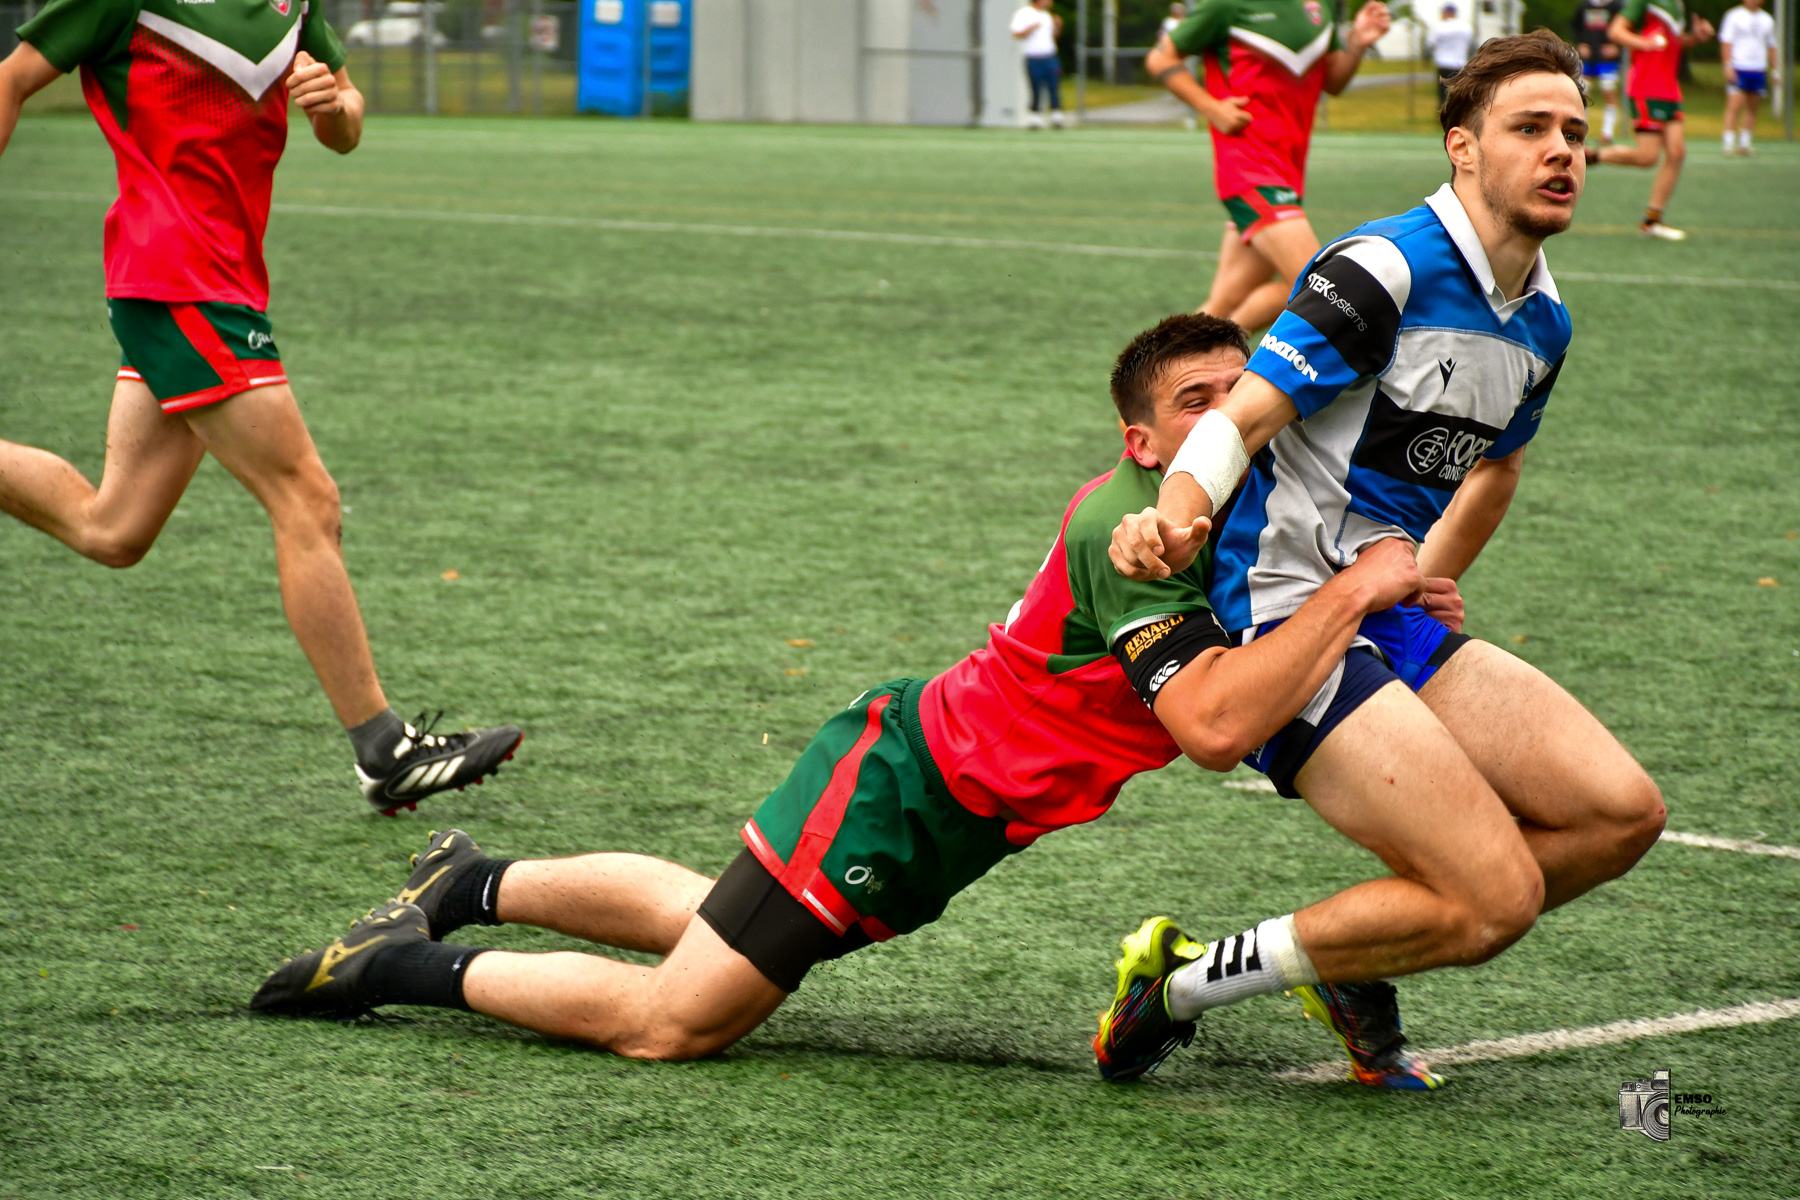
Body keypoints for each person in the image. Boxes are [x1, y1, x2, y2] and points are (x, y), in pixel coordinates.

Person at [251, 314, 1452, 1087]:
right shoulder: (1126, 530)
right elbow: (1216, 726)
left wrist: (1381, 601)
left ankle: (470, 880)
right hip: (904, 790)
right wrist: (1356, 597)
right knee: (679, 1022)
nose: (1228, 415)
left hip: (952, 811)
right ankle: (386, 968)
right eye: (1197, 399)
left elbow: (1288, 627)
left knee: (712, 921)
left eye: (1243, 392)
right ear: (1143, 442)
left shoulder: (1243, 532)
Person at [1096, 33, 1666, 1086]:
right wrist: (1176, 516)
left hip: (1387, 615)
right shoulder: (1384, 268)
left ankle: (1357, 950)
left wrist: (1431, 569)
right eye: (1530, 128)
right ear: (1463, 148)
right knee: (1493, 901)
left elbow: (1496, 468)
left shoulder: (1545, 320)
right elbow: (1241, 417)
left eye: (1576, 133)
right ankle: (1178, 985)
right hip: (1285, 613)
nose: (1562, 151)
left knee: (1621, 815)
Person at [0, 4, 522, 814]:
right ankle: (383, 749)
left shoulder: (294, 6)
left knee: (114, 529)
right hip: (177, 280)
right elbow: (11, 81)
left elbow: (346, 122)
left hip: (221, 282)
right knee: (306, 498)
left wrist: (333, 105)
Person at [1145, 0, 1393, 334]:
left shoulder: (1319, 6)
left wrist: (1357, 42)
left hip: (1288, 172)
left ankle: (1188, 358)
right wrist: (1212, 108)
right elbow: (1160, 57)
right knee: (1317, 286)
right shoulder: (1226, 5)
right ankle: (1213, 350)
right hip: (1248, 167)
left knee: (1224, 305)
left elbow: (1333, 81)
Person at [1592, 0, 1715, 239]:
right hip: (1646, 86)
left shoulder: (1677, 5)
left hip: (1669, 88)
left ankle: (1652, 221)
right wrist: (1644, 43)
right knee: (1648, 157)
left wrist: (1697, 37)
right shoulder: (1646, 2)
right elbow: (1616, 31)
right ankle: (1591, 156)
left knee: (1676, 153)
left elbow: (1674, 44)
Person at [1719, 0, 1777, 155]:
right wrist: (1727, 65)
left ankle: (1745, 143)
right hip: (1739, 66)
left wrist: (1775, 71)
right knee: (1734, 106)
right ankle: (1728, 142)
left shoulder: (1767, 19)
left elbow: (1771, 45)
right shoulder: (1734, 16)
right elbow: (1726, 41)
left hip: (1758, 68)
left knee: (1753, 107)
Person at [1570, 0, 1624, 143]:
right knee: (1583, 91)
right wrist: (1580, 43)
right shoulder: (1584, 6)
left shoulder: (1617, 7)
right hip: (1588, 58)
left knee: (1608, 90)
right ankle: (1580, 130)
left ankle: (1607, 132)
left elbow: (1626, 28)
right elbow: (1575, 26)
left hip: (1607, 60)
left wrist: (1617, 47)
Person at [1012, 0, 1067, 129]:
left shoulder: (1047, 15)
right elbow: (1017, 34)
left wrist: (1057, 26)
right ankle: (1035, 118)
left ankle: (1056, 116)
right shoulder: (1024, 13)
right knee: (1035, 87)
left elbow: (1052, 37)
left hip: (1049, 56)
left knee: (1054, 86)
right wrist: (1032, 28)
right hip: (1034, 57)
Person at [1427, 4, 1474, 107]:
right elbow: (1471, 45)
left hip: (1443, 62)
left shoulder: (1440, 27)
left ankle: (1443, 110)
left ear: (1446, 13)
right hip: (1460, 62)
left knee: (1443, 91)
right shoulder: (1466, 27)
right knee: (1457, 90)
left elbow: (1430, 44)